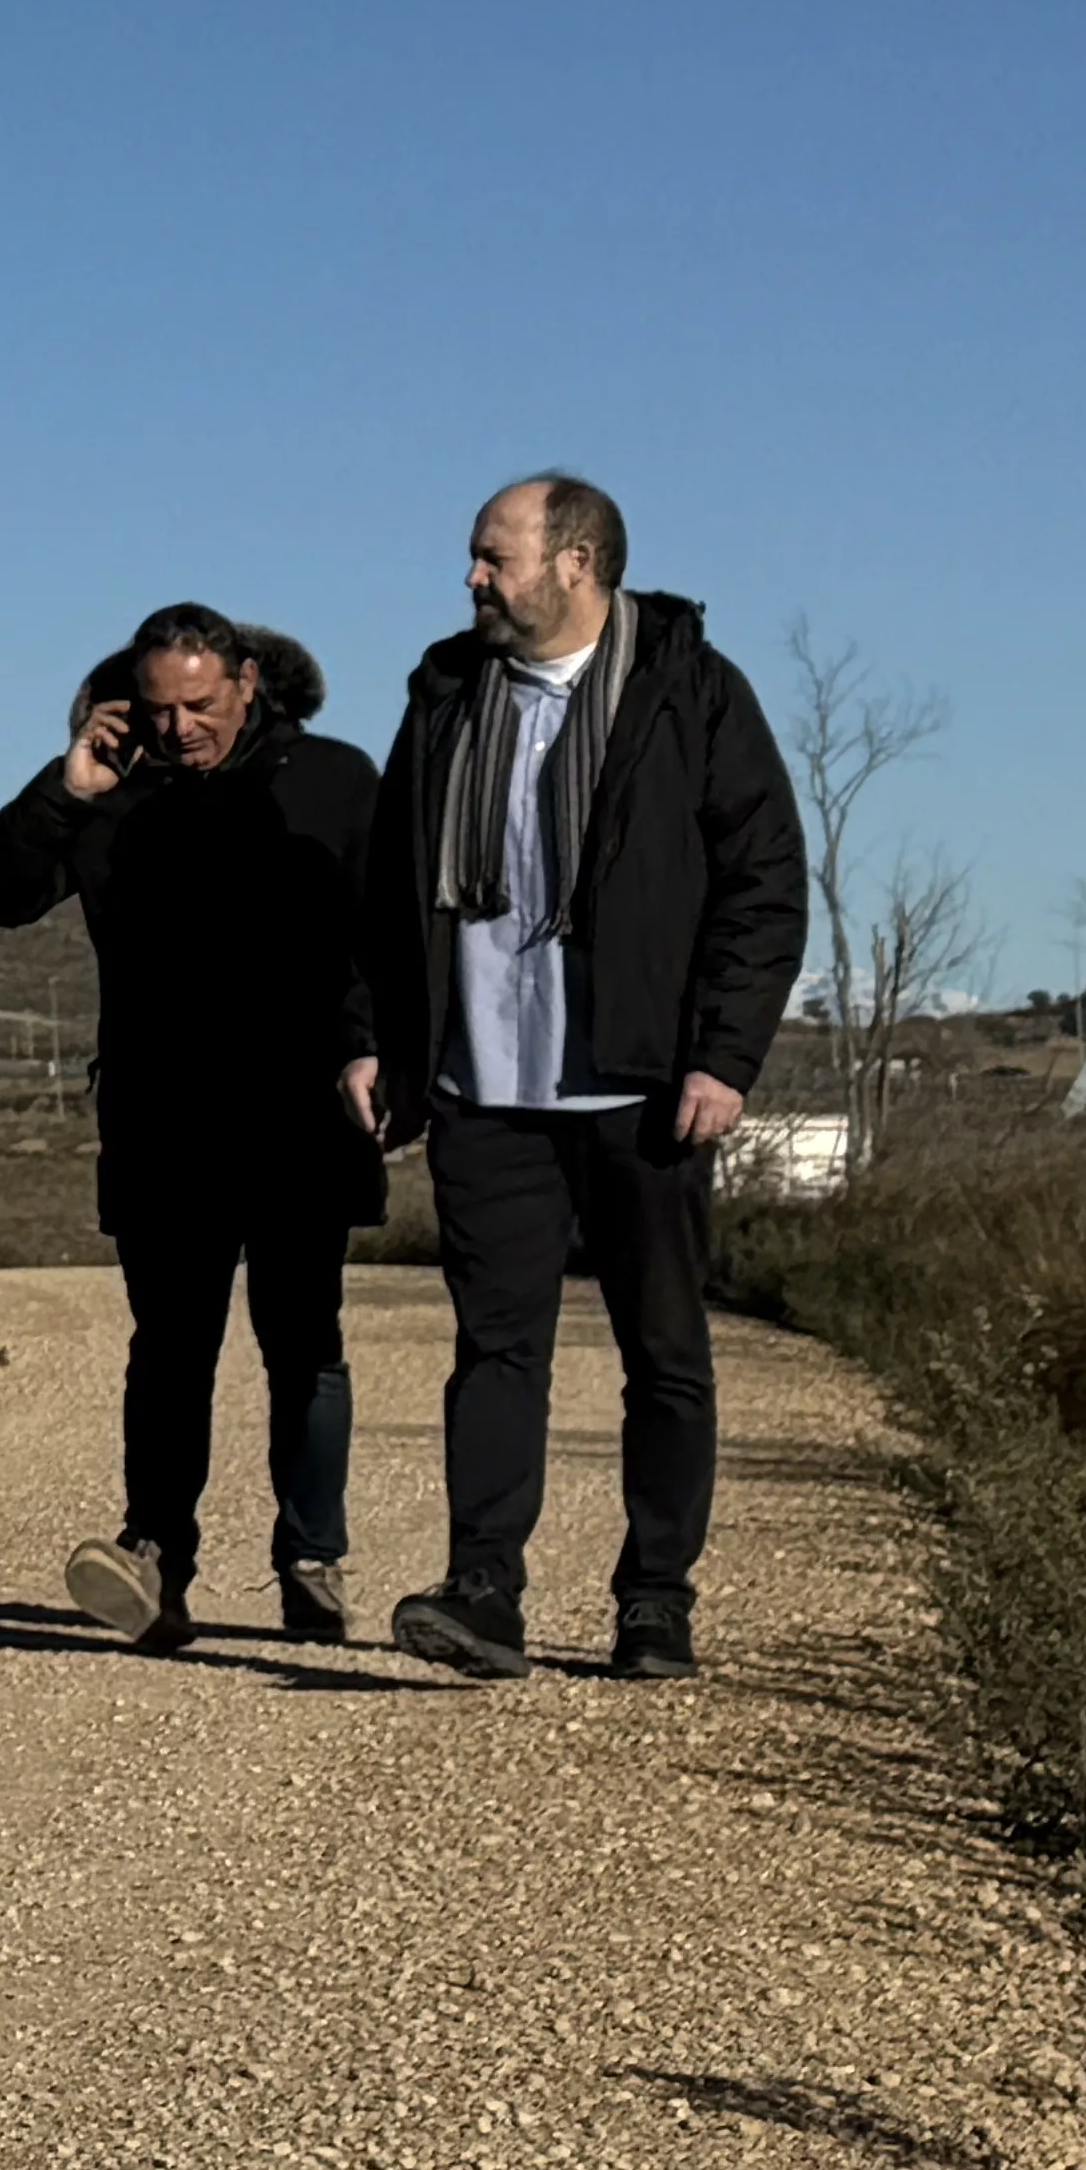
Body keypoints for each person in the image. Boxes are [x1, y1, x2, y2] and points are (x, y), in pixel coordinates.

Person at [341, 477, 805, 1686]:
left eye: (494, 558)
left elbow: (763, 880)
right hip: (482, 1086)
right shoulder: (448, 692)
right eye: (474, 561)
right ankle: (483, 1589)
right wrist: (370, 1037)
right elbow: (385, 888)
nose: (474, 580)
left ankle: (655, 1601)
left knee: (664, 1351)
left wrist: (725, 1054)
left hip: (640, 1085)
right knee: (497, 1350)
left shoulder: (691, 689)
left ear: (578, 563)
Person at [0, 603, 384, 1652]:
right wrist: (66, 791)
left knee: (305, 1348)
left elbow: (388, 935)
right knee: (171, 1352)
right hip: (162, 1123)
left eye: (200, 703)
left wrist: (372, 1047)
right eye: (160, 708)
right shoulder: (110, 793)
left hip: (299, 1117)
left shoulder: (335, 781)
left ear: (247, 681)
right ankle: (155, 1564)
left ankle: (311, 1561)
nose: (181, 725)